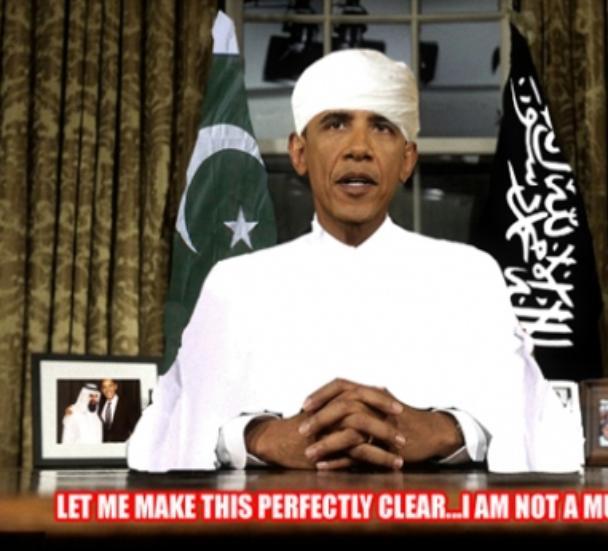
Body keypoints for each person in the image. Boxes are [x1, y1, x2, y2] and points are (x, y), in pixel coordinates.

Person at [127, 48, 582, 473]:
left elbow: (542, 432)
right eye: (336, 124)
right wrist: (257, 438)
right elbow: (162, 437)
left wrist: (449, 431)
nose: (358, 147)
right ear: (299, 153)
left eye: (382, 127)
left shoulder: (469, 277)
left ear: (407, 160)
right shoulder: (235, 285)